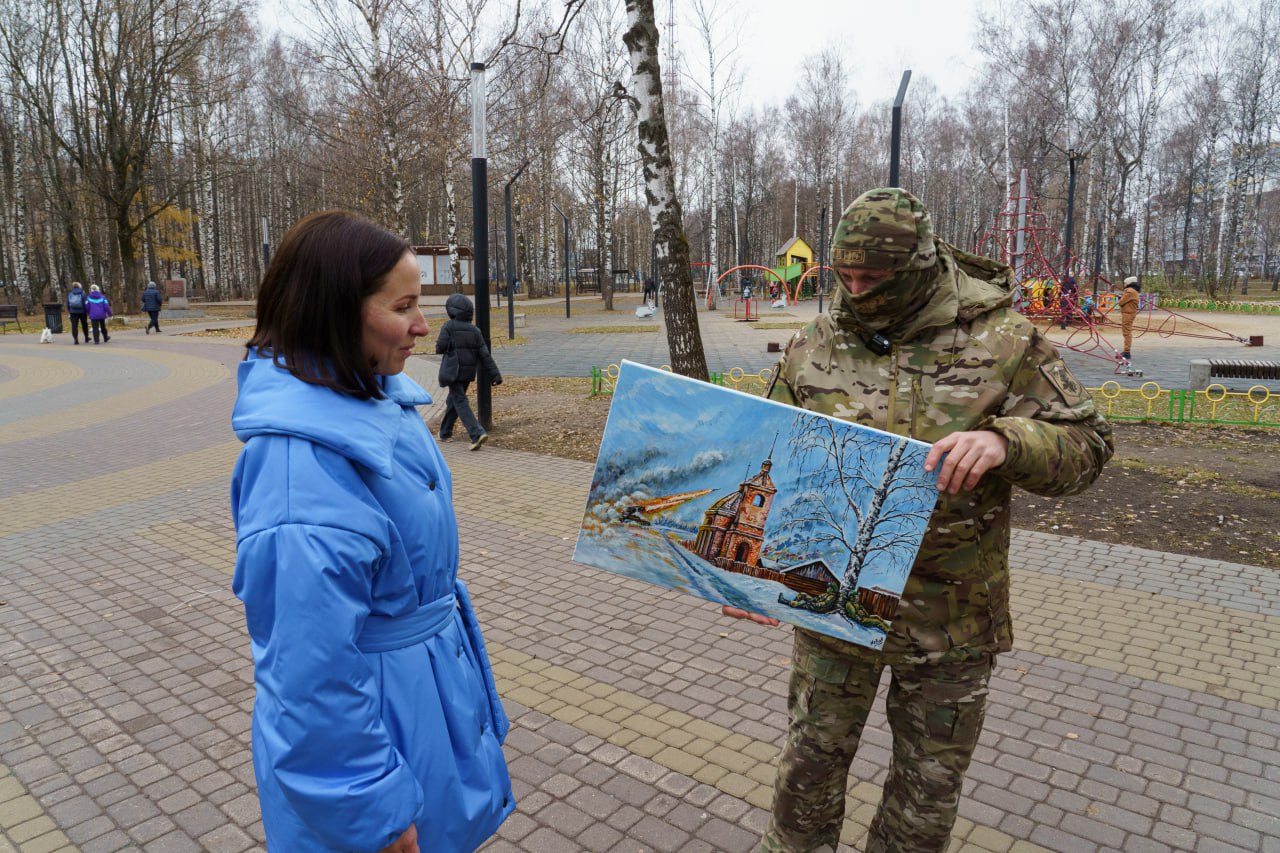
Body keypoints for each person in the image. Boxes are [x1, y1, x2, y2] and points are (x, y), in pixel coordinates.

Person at [725, 188, 1113, 853]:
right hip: (833, 611)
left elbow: (1089, 447)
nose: (855, 290)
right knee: (808, 769)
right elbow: (772, 462)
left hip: (951, 623)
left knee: (926, 789)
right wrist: (753, 576)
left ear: (918, 265)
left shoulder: (1005, 342)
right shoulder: (815, 343)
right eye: (844, 277)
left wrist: (1007, 442)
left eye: (872, 278)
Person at [230, 211, 514, 853]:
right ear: (336, 312)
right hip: (378, 741)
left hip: (414, 710)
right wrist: (374, 817)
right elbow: (309, 677)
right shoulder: (301, 470)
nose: (423, 325)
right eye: (405, 306)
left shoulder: (369, 396)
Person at [435, 293, 502, 451]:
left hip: (453, 371)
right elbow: (485, 355)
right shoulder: (475, 330)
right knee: (454, 401)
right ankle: (445, 432)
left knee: (459, 401)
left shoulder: (448, 326)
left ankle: (476, 433)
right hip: (467, 373)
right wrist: (495, 375)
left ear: (451, 310)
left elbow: (440, 347)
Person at [1118, 275, 1140, 359]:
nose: (1124, 285)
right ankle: (1126, 351)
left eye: (1125, 283)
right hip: (1130, 313)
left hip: (1128, 314)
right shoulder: (1134, 291)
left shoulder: (1129, 291)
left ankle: (1127, 351)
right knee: (1127, 332)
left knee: (1127, 333)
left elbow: (1121, 302)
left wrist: (1120, 298)